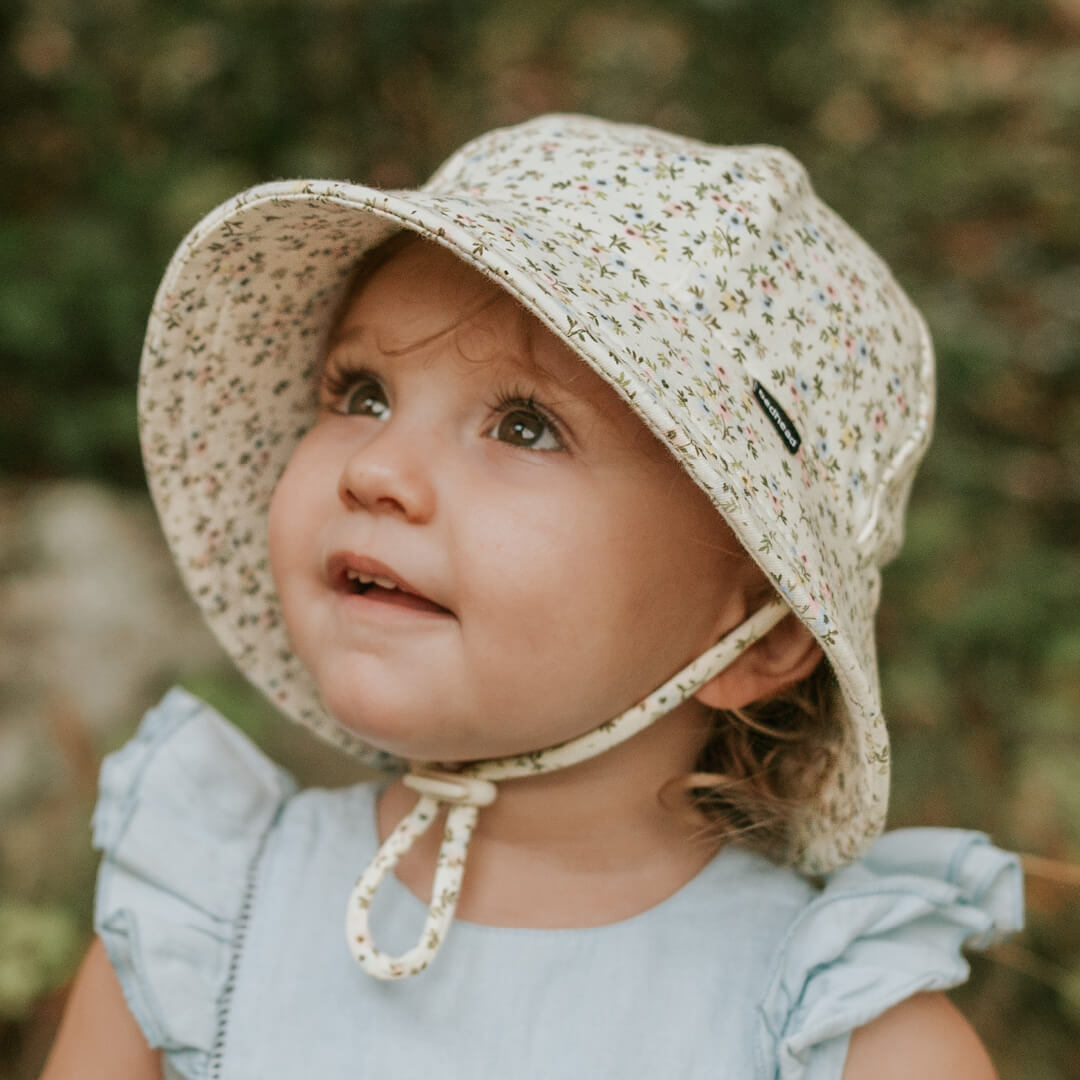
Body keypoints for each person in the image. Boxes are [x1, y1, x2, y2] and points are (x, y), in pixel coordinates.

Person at [42, 114, 1022, 1079]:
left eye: (523, 427)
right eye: (360, 394)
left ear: (757, 636)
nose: (378, 467)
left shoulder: (838, 1034)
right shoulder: (205, 920)